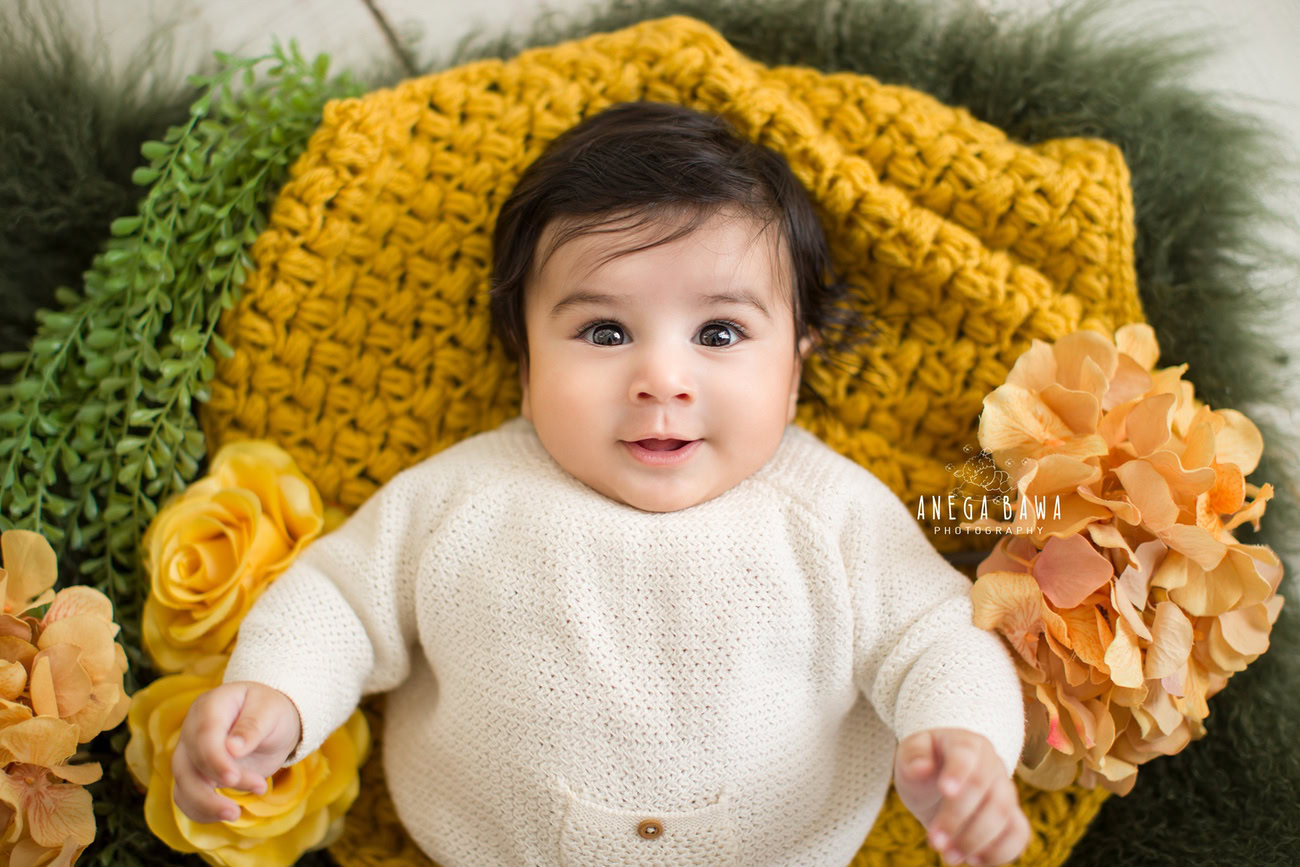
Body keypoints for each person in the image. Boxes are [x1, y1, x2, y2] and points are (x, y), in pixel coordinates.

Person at [171, 101, 1030, 867]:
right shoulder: (466, 493)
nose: (662, 377)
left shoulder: (834, 512)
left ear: (797, 368)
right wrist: (275, 698)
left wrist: (963, 741)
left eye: (721, 332)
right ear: (525, 358)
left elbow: (938, 637)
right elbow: (340, 601)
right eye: (606, 329)